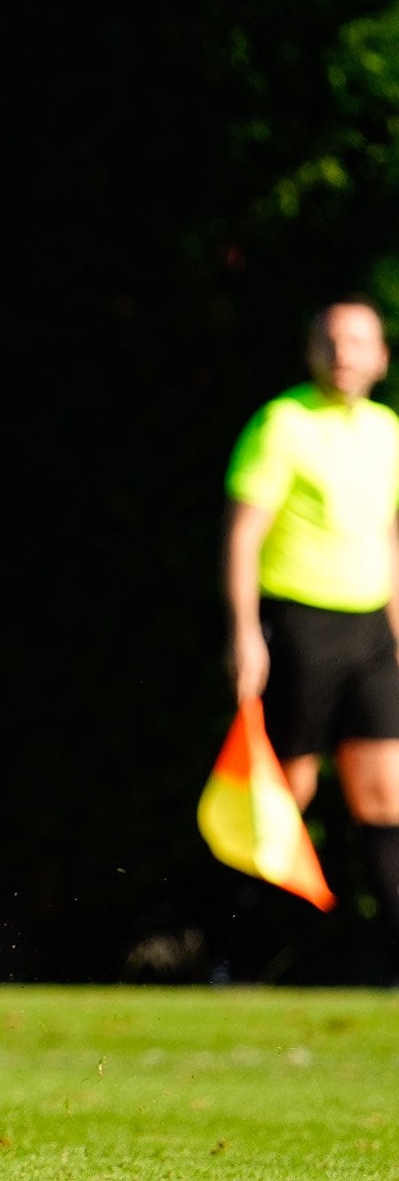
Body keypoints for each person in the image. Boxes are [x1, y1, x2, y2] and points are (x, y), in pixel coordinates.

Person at [222, 295, 399, 981]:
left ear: (381, 356)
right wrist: (246, 634)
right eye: (332, 339)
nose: (344, 353)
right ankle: (235, 962)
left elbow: (387, 533)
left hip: (370, 635)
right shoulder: (282, 423)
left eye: (359, 341)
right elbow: (243, 535)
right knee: (280, 800)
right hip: (299, 628)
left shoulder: (387, 430)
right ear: (312, 350)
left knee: (385, 800)